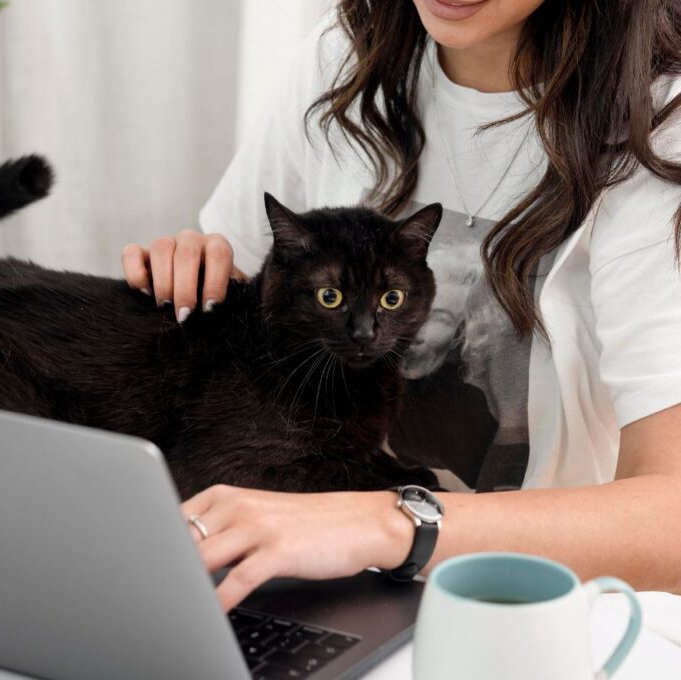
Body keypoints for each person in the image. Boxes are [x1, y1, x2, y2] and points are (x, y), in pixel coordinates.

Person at [121, 0, 681, 611]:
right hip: (308, 589)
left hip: (530, 618)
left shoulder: (661, 124)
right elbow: (248, 320)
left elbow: (670, 520)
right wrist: (195, 271)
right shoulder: (346, 58)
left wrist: (388, 524)